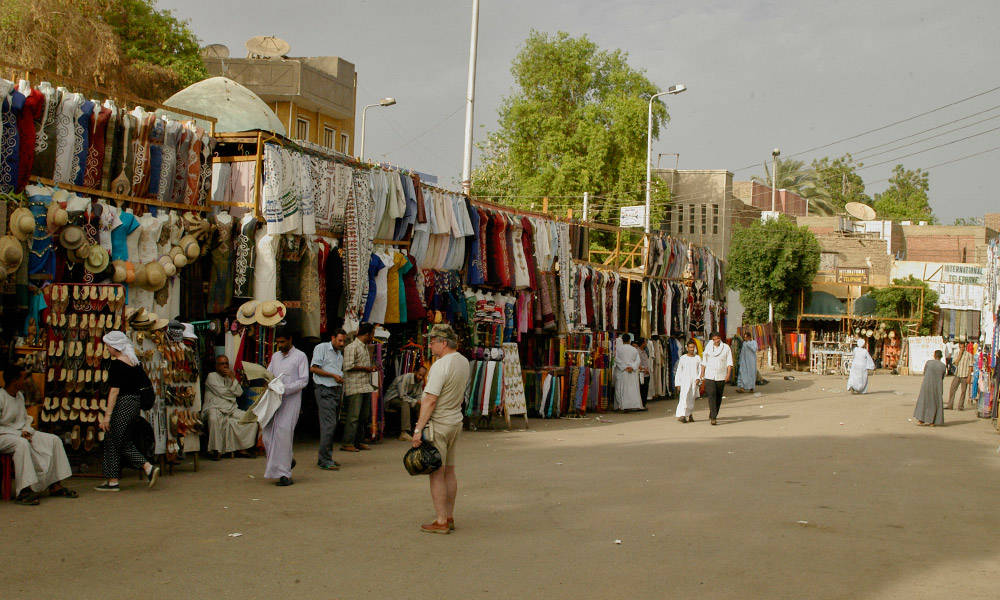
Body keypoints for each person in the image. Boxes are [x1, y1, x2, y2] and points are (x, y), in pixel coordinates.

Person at [412, 324, 470, 534]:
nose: (431, 346)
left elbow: (430, 399)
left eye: (433, 342)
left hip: (440, 423)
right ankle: (450, 515)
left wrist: (418, 429)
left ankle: (441, 520)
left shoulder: (440, 365)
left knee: (436, 472)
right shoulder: (463, 362)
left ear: (443, 343)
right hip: (455, 420)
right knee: (450, 471)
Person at [0, 363, 77, 505]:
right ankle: (24, 490)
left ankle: (55, 485)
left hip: (19, 433)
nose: (26, 382)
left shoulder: (20, 396)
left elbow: (24, 420)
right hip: (3, 436)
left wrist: (27, 430)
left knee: (53, 440)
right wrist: (18, 434)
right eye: (23, 378)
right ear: (15, 381)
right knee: (21, 444)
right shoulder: (1, 397)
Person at [96, 331, 160, 491]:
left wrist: (107, 416)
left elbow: (114, 391)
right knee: (121, 440)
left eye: (108, 346)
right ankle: (141, 470)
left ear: (114, 347)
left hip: (123, 403)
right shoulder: (133, 362)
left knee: (113, 439)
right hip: (134, 404)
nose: (107, 349)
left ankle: (117, 480)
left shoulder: (118, 364)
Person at [264, 328, 309, 486]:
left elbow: (303, 381)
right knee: (267, 434)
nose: (280, 345)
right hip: (274, 400)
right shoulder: (276, 356)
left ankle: (285, 474)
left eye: (283, 342)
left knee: (283, 433)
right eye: (278, 342)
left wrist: (285, 388)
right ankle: (287, 460)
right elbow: (269, 374)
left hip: (291, 401)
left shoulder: (300, 356)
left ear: (290, 340)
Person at [202, 354, 258, 459]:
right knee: (213, 418)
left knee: (252, 420)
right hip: (215, 408)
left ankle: (242, 449)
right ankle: (215, 451)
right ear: (217, 366)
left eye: (226, 364)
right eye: (222, 364)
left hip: (231, 409)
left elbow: (239, 393)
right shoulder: (211, 376)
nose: (225, 366)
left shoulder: (230, 377)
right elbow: (223, 393)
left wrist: (233, 379)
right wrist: (233, 392)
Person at [311, 329, 346, 470]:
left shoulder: (339, 354)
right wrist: (333, 376)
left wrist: (337, 378)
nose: (342, 343)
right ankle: (324, 459)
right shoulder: (322, 348)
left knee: (331, 425)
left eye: (344, 341)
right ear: (333, 338)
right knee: (329, 425)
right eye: (340, 340)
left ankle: (327, 457)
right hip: (324, 389)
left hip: (335, 390)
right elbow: (313, 368)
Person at [341, 323, 377, 453]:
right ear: (367, 334)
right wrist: (366, 368)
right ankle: (347, 442)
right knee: (353, 416)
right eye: (372, 334)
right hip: (355, 386)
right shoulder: (352, 347)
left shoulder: (364, 347)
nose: (372, 337)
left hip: (365, 385)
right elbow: (348, 366)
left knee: (363, 416)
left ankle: (359, 441)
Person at [385, 364, 427, 441]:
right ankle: (404, 432)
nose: (420, 377)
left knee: (419, 405)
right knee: (405, 403)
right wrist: (415, 401)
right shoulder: (405, 378)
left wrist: (420, 402)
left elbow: (419, 395)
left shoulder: (420, 382)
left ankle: (419, 430)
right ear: (415, 372)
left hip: (407, 399)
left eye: (422, 376)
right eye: (419, 375)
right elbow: (402, 396)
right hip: (392, 399)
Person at [700, 332, 733, 426]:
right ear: (712, 340)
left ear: (720, 338)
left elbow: (729, 362)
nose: (716, 341)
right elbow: (704, 360)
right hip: (709, 375)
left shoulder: (726, 348)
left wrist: (728, 374)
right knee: (711, 395)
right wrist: (702, 372)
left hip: (721, 375)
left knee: (718, 396)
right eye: (714, 339)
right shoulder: (708, 347)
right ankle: (713, 417)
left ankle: (713, 413)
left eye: (718, 338)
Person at [914, 350, 946, 426]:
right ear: (941, 356)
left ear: (934, 355)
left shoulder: (929, 363)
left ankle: (921, 420)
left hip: (927, 385)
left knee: (924, 401)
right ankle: (932, 421)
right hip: (937, 387)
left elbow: (925, 372)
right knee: (934, 403)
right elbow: (942, 377)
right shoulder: (943, 366)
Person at [614, 334, 643, 412]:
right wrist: (632, 367)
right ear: (630, 340)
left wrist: (624, 367)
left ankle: (622, 406)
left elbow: (616, 359)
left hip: (622, 371)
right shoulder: (634, 349)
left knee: (621, 389)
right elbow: (638, 361)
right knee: (632, 389)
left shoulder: (618, 349)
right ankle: (633, 405)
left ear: (622, 340)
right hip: (632, 372)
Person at [674, 340, 701, 423]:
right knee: (683, 397)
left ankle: (689, 414)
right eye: (690, 347)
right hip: (684, 381)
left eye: (693, 347)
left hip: (694, 381)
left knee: (691, 398)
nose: (692, 349)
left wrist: (699, 379)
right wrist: (678, 383)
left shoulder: (698, 358)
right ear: (687, 348)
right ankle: (682, 415)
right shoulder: (683, 358)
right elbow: (679, 371)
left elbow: (700, 370)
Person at [945, 343, 973, 411]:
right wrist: (960, 355)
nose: (961, 349)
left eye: (962, 347)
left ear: (965, 347)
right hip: (957, 374)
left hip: (965, 375)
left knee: (963, 391)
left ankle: (960, 406)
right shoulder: (957, 353)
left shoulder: (969, 355)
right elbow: (955, 363)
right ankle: (950, 405)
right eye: (960, 347)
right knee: (952, 389)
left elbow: (970, 366)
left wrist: (969, 377)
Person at [633, 337, 651, 407]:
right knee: (641, 389)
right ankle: (641, 404)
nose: (646, 343)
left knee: (645, 389)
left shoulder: (644, 351)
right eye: (645, 342)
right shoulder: (637, 352)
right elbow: (637, 363)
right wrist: (643, 369)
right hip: (641, 374)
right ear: (642, 343)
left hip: (646, 374)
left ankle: (644, 404)